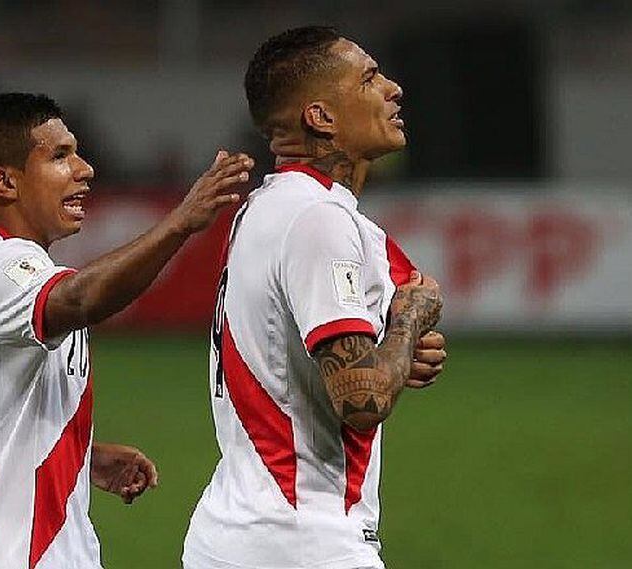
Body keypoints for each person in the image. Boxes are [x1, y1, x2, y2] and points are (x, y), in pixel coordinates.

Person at [0, 92, 252, 569]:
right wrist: (180, 223)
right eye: (59, 156)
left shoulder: (0, 274)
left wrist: (79, 457)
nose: (85, 169)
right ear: (5, 181)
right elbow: (80, 300)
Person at [182, 27, 447, 569]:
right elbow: (361, 400)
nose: (393, 89)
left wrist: (390, 351)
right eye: (370, 78)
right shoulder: (318, 219)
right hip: (301, 537)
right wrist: (405, 324)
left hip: (241, 529)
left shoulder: (269, 207)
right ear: (320, 117)